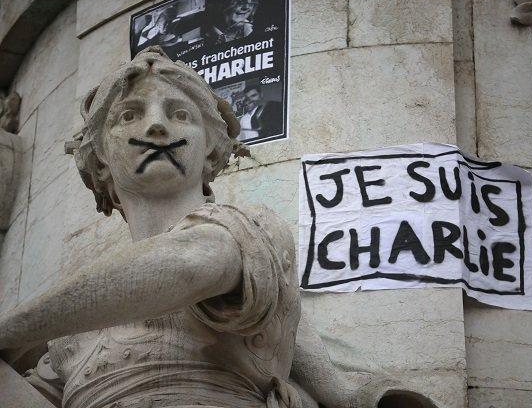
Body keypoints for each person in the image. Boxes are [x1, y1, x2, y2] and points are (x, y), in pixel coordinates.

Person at [0, 47, 423, 408]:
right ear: (100, 158)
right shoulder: (66, 337)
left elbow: (192, 264)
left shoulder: (247, 230)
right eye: (129, 115)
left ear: (211, 151)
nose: (156, 126)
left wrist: (12, 329)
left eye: (179, 113)